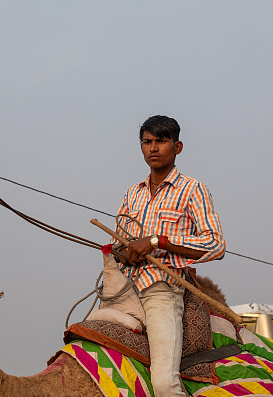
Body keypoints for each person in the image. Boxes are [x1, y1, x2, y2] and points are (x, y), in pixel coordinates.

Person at [115, 115, 225, 397]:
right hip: (121, 290)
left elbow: (215, 244)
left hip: (161, 289)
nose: (153, 148)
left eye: (161, 141)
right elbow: (117, 243)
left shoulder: (193, 189)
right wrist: (125, 252)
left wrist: (157, 241)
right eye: (147, 142)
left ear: (177, 147)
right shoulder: (132, 193)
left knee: (164, 384)